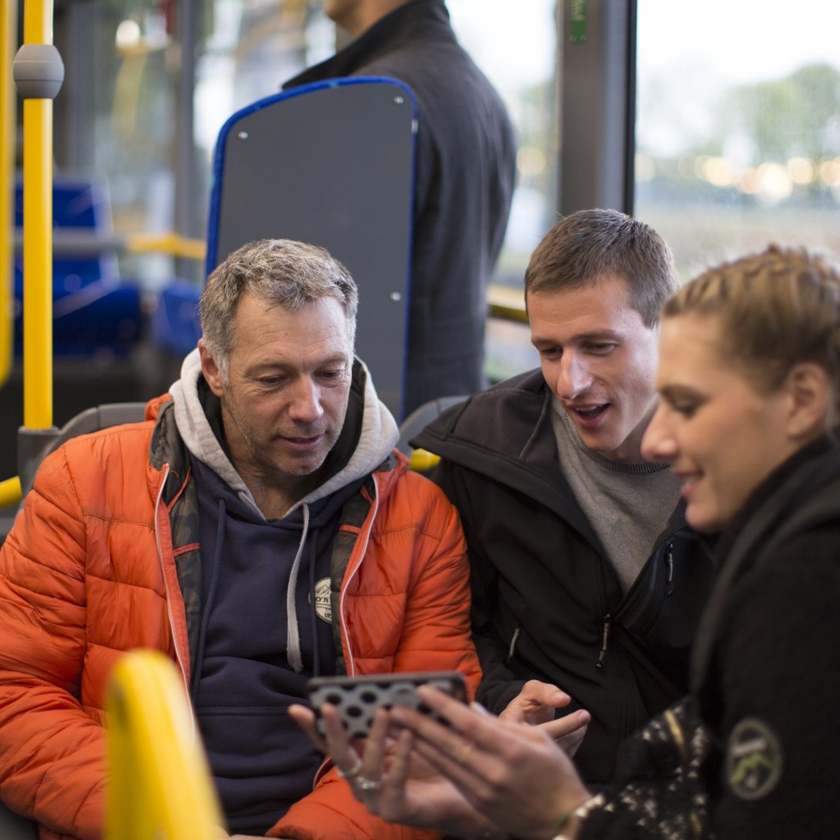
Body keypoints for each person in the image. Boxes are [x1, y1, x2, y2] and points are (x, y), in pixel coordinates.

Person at [299, 243, 840, 840]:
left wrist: (564, 817)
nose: (662, 441)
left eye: (688, 404)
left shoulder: (804, 581)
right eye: (548, 351)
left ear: (801, 401)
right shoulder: (474, 454)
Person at [0, 238, 481, 840]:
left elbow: (426, 733)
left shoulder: (420, 518)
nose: (309, 408)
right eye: (273, 379)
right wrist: (161, 819)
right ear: (213, 368)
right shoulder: (84, 482)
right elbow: (14, 693)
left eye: (330, 374)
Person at [409, 209, 716, 784]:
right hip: (543, 791)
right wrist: (499, 702)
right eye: (549, 352)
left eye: (599, 346)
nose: (570, 382)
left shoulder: (747, 461)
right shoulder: (481, 454)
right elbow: (445, 633)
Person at [283, 0, 517, 415]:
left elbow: (323, 298)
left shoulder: (376, 98)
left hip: (375, 420)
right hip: (451, 410)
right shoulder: (482, 93)